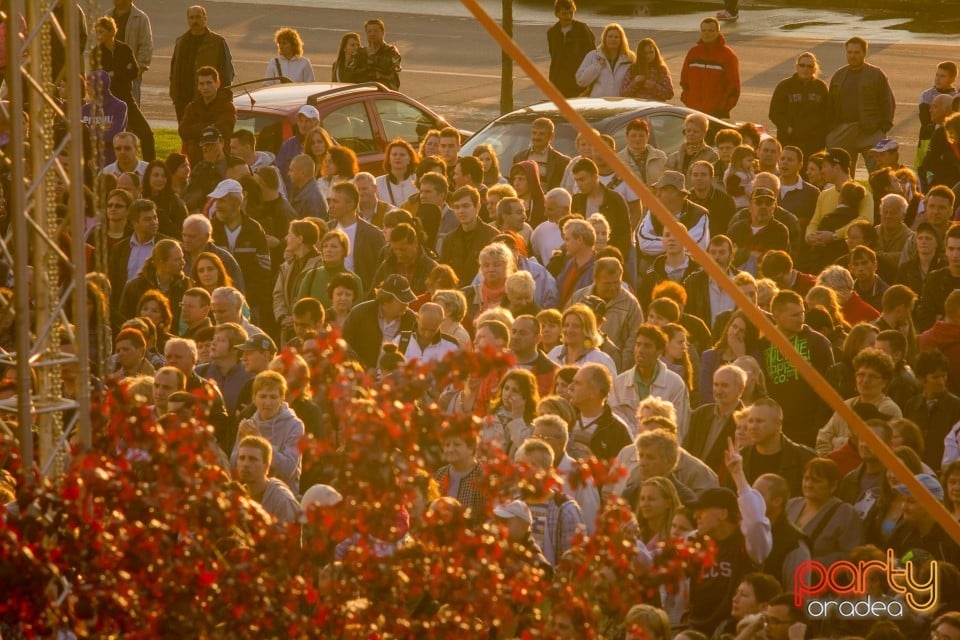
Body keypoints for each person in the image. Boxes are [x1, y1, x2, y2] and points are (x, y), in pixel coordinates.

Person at [687, 442, 772, 635]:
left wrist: (738, 476)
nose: (696, 516)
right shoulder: (694, 541)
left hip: (736, 630)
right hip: (696, 629)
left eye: (703, 510)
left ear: (723, 514)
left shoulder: (747, 544)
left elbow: (757, 522)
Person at [761, 291, 835, 447]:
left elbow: (829, 388)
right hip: (777, 428)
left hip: (810, 429)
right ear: (776, 315)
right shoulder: (764, 344)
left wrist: (818, 427)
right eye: (794, 315)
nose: (801, 319)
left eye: (802, 313)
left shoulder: (818, 342)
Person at [825, 37, 896, 175]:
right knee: (841, 174)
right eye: (850, 52)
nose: (853, 56)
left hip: (870, 131)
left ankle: (880, 196)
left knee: (879, 174)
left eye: (857, 52)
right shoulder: (839, 75)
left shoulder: (876, 74)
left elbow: (887, 102)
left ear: (864, 53)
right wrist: (831, 130)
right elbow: (830, 104)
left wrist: (883, 128)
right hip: (843, 130)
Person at [90, 17, 155, 162]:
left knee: (146, 134)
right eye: (97, 32)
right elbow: (99, 78)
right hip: (106, 101)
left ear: (112, 31)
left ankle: (150, 166)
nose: (98, 35)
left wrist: (113, 74)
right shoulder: (96, 53)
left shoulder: (125, 49)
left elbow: (134, 71)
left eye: (101, 32)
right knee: (111, 138)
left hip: (126, 98)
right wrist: (121, 72)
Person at [816, 348, 901, 455]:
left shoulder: (889, 409)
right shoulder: (846, 405)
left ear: (885, 382)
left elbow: (872, 447)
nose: (865, 380)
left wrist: (837, 442)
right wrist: (833, 461)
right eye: (861, 375)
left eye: (872, 376)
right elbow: (822, 438)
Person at [610, 324, 690, 438]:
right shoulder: (619, 383)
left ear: (659, 351)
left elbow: (680, 427)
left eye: (647, 346)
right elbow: (615, 422)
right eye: (638, 345)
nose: (640, 350)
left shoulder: (675, 384)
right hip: (627, 449)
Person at [169, 5, 234, 122]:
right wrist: (174, 94)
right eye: (191, 17)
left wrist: (222, 98)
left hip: (207, 100)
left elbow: (227, 73)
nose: (195, 21)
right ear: (188, 20)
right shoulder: (180, 42)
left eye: (198, 17)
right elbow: (173, 70)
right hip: (182, 100)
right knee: (186, 134)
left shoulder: (217, 42)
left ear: (205, 18)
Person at [342, 274, 417, 371]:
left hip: (396, 380)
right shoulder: (360, 313)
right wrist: (362, 369)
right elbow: (344, 345)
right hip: (361, 377)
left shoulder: (412, 319)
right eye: (402, 300)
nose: (407, 304)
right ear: (386, 299)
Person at [636, 171, 711, 263]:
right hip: (658, 267)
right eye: (657, 190)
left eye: (663, 189)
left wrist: (659, 240)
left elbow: (697, 247)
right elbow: (644, 244)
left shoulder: (699, 214)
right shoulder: (653, 211)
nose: (658, 194)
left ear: (680, 194)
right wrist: (680, 242)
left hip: (690, 269)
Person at [768, 53, 830, 159]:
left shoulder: (821, 87)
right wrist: (788, 129)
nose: (805, 69)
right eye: (802, 65)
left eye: (809, 66)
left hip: (814, 142)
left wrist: (820, 133)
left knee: (812, 172)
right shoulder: (784, 86)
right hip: (789, 140)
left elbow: (828, 114)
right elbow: (774, 114)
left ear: (815, 69)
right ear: (797, 67)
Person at [567, 362, 632, 462]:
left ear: (594, 392)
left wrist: (595, 463)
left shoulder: (617, 430)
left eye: (578, 383)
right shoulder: (565, 419)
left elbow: (622, 471)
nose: (570, 387)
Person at [569, 158, 631, 261]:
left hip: (612, 258)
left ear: (595, 177)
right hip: (584, 260)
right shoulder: (576, 201)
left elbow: (624, 234)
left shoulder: (615, 199)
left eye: (582, 179)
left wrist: (616, 258)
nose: (579, 184)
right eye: (576, 180)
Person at [679, 18, 740, 118]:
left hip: (717, 115)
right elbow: (684, 82)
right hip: (694, 113)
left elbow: (733, 88)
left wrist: (722, 109)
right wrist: (688, 102)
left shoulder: (728, 55)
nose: (706, 33)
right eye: (704, 30)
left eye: (710, 30)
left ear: (718, 32)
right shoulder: (693, 53)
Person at [235, 435, 302, 523]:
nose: (245, 464)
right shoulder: (238, 496)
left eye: (253, 459)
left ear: (266, 466)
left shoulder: (281, 501)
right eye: (242, 458)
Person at [440, 186, 499, 286]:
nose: (461, 211)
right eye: (457, 207)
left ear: (477, 207)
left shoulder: (493, 236)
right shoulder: (448, 240)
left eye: (465, 206)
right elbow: (444, 274)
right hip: (456, 296)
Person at [178, 66, 236, 167]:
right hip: (194, 163)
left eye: (209, 83)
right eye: (202, 84)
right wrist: (210, 126)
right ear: (198, 86)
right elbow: (183, 131)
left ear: (217, 83)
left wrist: (196, 129)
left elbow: (223, 130)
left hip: (219, 163)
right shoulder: (192, 107)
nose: (205, 87)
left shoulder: (227, 106)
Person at [433, 426, 487, 521]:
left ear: (471, 447)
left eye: (457, 444)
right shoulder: (439, 474)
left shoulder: (483, 475)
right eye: (447, 445)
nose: (450, 449)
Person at [546, 0, 595, 99]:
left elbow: (592, 54)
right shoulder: (552, 32)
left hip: (578, 82)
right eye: (564, 13)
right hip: (558, 82)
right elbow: (553, 56)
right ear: (557, 14)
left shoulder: (582, 29)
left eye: (571, 13)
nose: (568, 16)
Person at [108, 0, 153, 105]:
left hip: (130, 74)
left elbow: (146, 45)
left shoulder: (141, 18)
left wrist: (138, 69)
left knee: (131, 110)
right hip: (110, 73)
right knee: (109, 111)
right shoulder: (108, 16)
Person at [918, 223, 960, 332]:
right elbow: (925, 318)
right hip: (939, 342)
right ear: (945, 250)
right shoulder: (934, 278)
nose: (955, 255)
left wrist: (941, 319)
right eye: (951, 249)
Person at [82, 71, 128, 169]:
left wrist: (88, 132)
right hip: (87, 162)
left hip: (111, 162)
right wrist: (102, 130)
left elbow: (113, 135)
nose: (86, 89)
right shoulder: (85, 109)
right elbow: (79, 137)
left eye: (89, 85)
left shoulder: (119, 106)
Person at [575, 23, 634, 98]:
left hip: (620, 105)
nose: (613, 39)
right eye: (610, 36)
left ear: (621, 40)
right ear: (605, 38)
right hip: (598, 104)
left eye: (616, 37)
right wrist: (597, 66)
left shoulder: (629, 59)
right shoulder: (593, 56)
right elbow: (581, 81)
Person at [512, 118, 571, 192]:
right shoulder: (519, 158)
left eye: (541, 134)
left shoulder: (562, 162)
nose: (536, 137)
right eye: (534, 133)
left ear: (551, 136)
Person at [919, 94, 960, 190]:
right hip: (948, 185)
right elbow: (927, 163)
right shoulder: (940, 132)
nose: (930, 110)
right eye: (958, 106)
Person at [666, 113, 720, 180]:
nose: (691, 134)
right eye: (688, 131)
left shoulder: (712, 156)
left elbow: (713, 181)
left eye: (695, 131)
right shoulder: (674, 156)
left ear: (704, 133)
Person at [377, 138, 419, 208]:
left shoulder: (418, 179)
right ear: (389, 159)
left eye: (402, 155)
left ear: (409, 159)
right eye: (394, 154)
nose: (398, 157)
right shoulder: (378, 183)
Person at [364, 19, 401, 89]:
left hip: (383, 94)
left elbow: (393, 76)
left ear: (383, 32)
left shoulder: (391, 52)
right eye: (369, 31)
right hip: (364, 94)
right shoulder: (361, 53)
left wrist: (378, 75)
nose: (372, 34)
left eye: (376, 31)